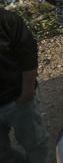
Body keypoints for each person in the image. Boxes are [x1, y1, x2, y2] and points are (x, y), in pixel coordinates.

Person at [0, 9, 49, 163]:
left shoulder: (7, 20)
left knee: (35, 143)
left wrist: (27, 94)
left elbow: (28, 57)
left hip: (17, 99)